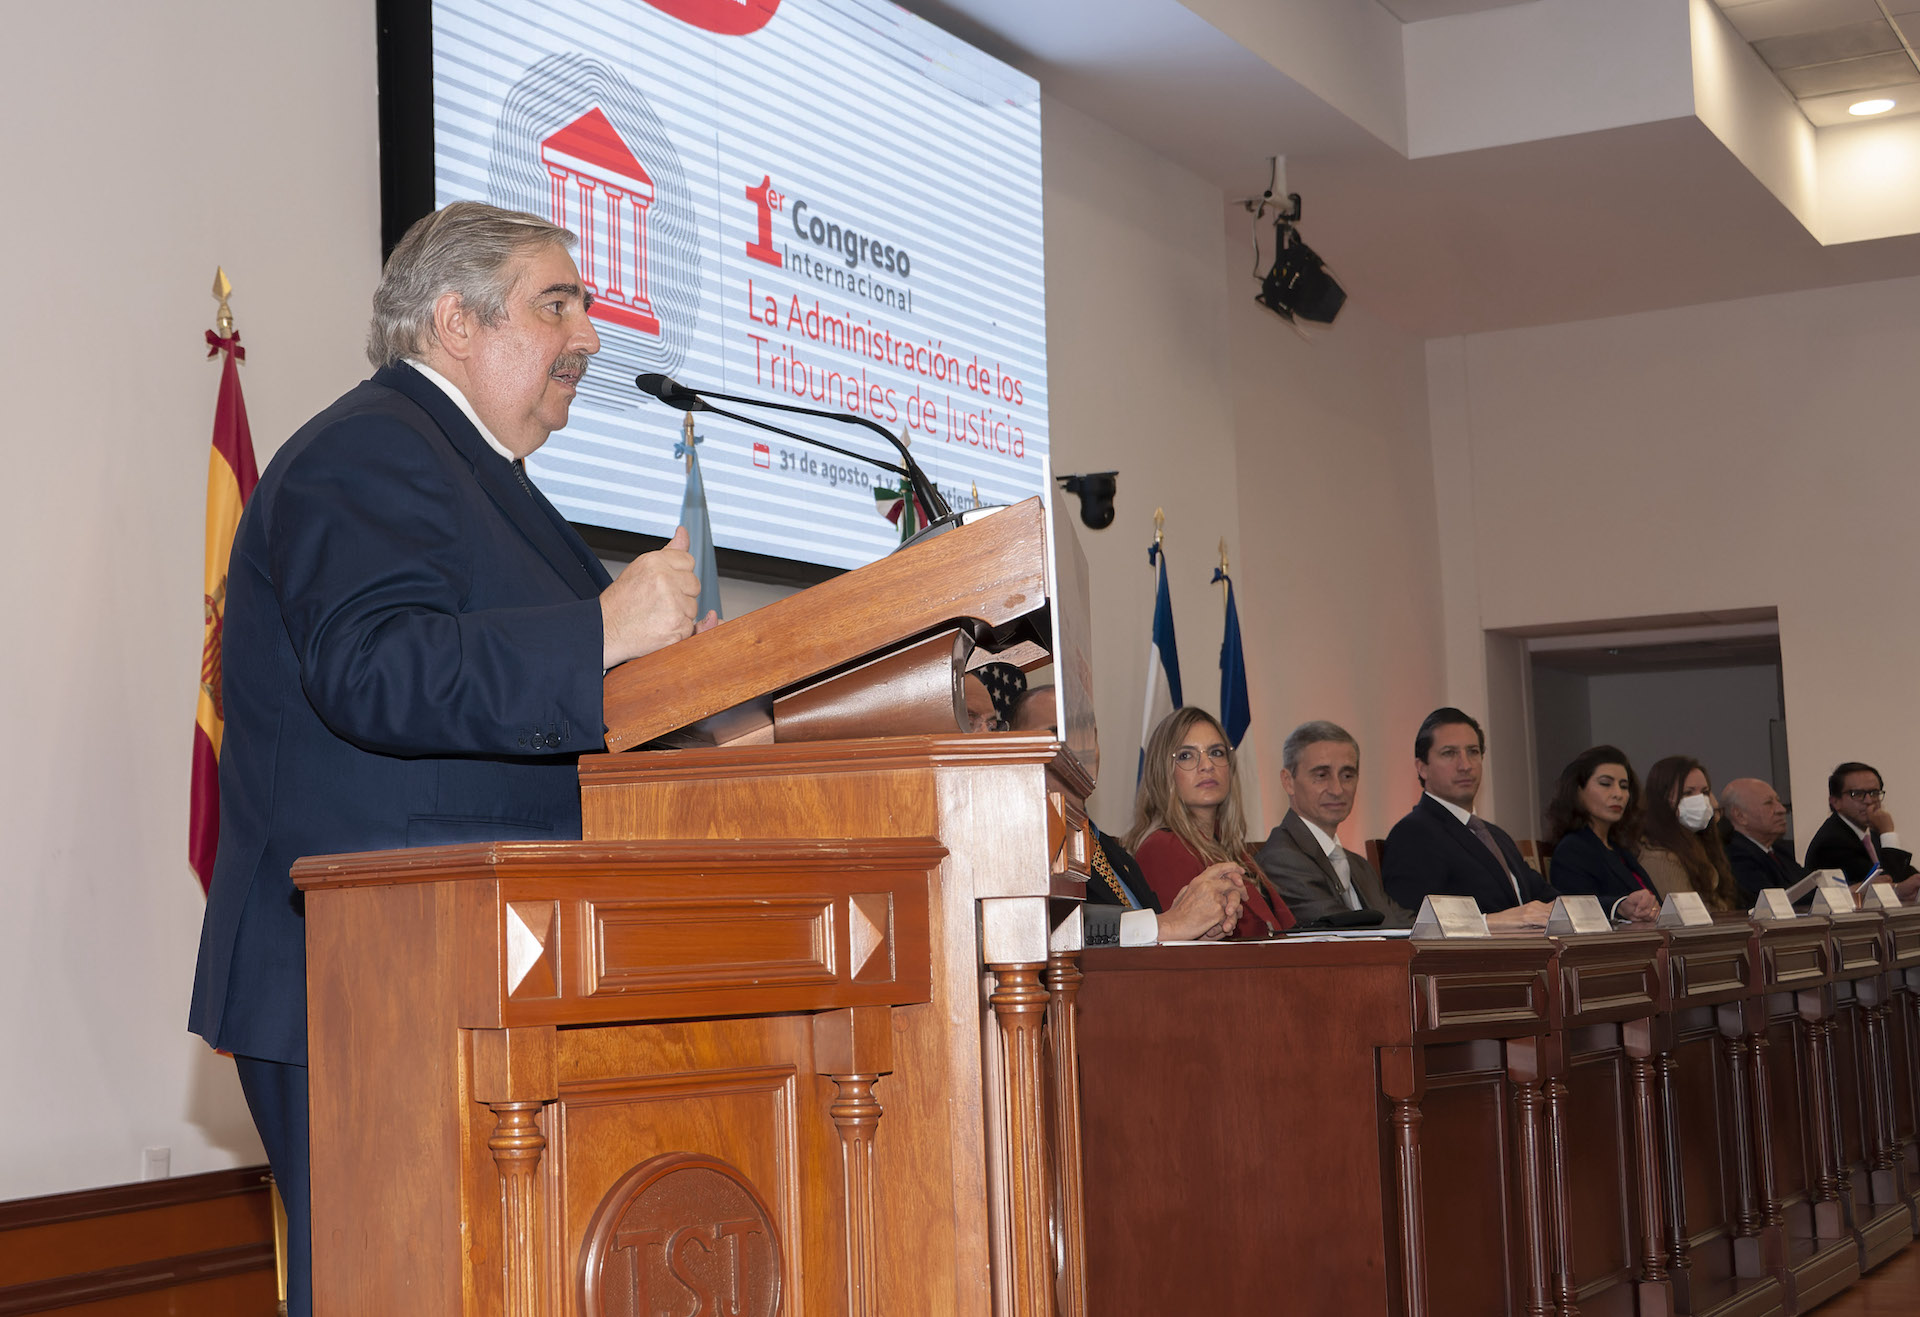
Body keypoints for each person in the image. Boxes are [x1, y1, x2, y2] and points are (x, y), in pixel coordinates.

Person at [187, 203, 714, 1317]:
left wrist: (722, 731)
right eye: (555, 302)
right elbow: (372, 668)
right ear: (454, 322)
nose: (591, 335)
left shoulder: (484, 480)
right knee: (401, 1285)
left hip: (481, 973)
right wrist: (603, 630)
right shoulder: (372, 448)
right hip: (377, 978)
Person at [1127, 707, 1296, 939]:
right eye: (1186, 755)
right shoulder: (1162, 848)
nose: (1207, 765)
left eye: (1216, 752)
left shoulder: (1230, 849)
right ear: (1162, 771)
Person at [1381, 707, 1557, 929]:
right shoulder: (1412, 833)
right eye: (1449, 753)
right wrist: (1490, 923)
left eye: (1473, 752)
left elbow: (1547, 898)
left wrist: (1611, 906)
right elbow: (1413, 922)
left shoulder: (1496, 835)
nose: (1465, 765)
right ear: (1422, 768)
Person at [1254, 720, 1413, 927]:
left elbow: (1405, 924)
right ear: (1288, 781)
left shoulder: (1359, 866)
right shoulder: (1281, 859)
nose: (1337, 789)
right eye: (1321, 775)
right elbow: (1346, 933)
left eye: (1347, 775)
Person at [1540, 746, 1661, 923]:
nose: (1618, 794)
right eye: (1605, 784)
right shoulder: (1572, 849)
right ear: (1577, 790)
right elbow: (1578, 911)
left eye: (1624, 786)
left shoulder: (1620, 848)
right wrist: (1619, 907)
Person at [1804, 762, 1920, 902]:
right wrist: (1888, 832)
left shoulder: (1871, 836)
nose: (1869, 801)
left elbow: (1905, 875)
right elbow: (1887, 884)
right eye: (1857, 794)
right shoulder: (1832, 841)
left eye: (1874, 793)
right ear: (1835, 802)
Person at [1637, 756, 1738, 909]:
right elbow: (1687, 917)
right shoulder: (1660, 856)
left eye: (1704, 792)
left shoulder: (1700, 842)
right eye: (1688, 793)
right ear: (1662, 799)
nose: (1700, 800)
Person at [1720, 778, 1805, 902]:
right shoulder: (1734, 855)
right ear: (1740, 816)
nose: (1781, 809)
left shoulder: (1782, 850)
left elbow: (1808, 885)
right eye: (1768, 803)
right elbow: (1774, 903)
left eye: (1779, 801)